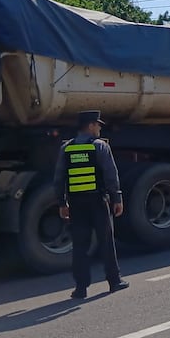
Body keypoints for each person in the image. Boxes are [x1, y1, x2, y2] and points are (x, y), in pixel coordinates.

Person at [53, 110, 129, 299]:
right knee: (106, 242)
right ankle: (114, 281)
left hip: (76, 204)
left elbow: (59, 179)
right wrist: (117, 198)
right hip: (97, 201)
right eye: (97, 124)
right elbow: (111, 175)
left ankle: (80, 288)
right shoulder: (100, 146)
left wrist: (62, 203)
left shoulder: (66, 148)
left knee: (80, 246)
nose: (99, 127)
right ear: (89, 126)